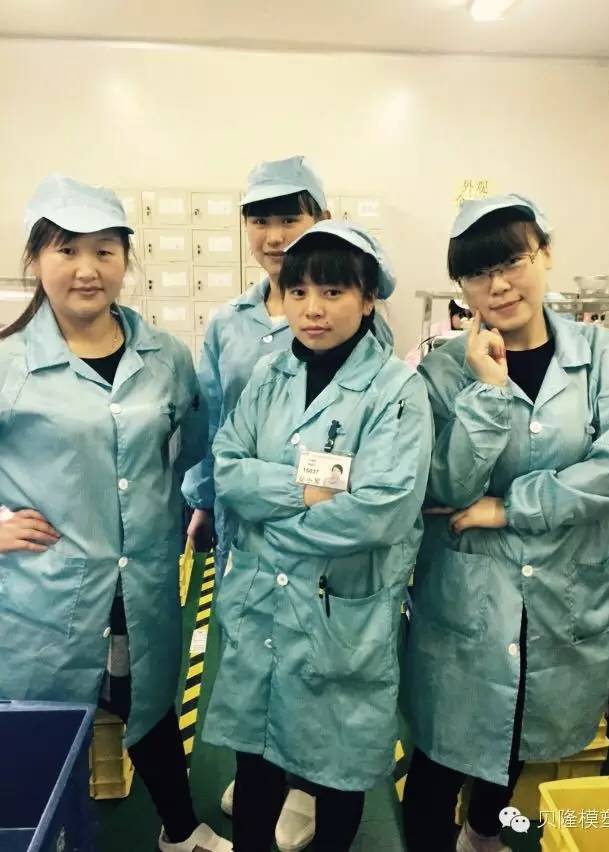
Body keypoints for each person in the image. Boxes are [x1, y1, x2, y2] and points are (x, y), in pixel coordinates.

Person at [402, 194, 609, 852]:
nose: (499, 285)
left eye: (512, 262)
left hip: (564, 591)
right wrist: (486, 390)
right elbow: (443, 487)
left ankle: (482, 835)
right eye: (478, 273)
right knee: (441, 756)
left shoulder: (602, 354)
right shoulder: (443, 372)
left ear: (546, 256)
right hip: (472, 599)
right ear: (462, 287)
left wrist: (508, 508)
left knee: (516, 740)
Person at [0, 175, 231, 852]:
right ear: (36, 259)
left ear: (126, 260)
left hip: (144, 580)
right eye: (67, 250)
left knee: (149, 707)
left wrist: (192, 505)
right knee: (46, 724)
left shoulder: (165, 357)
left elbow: (195, 445)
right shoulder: (10, 363)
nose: (87, 269)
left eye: (104, 251)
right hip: (48, 588)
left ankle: (179, 829)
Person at [181, 155, 393, 851]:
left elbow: (374, 473)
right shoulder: (232, 325)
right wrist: (213, 498)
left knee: (322, 695)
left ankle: (305, 785)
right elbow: (218, 429)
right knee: (258, 684)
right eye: (261, 221)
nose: (275, 236)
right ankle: (269, 771)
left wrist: (277, 497)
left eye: (289, 219)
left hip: (327, 557)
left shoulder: (378, 354)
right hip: (251, 537)